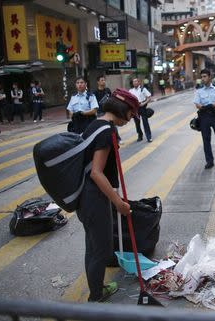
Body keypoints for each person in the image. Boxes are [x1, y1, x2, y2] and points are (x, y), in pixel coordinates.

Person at [77, 88, 139, 302]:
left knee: (93, 246)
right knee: (101, 250)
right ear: (123, 109)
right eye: (131, 114)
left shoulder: (96, 124)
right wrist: (118, 202)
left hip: (85, 197)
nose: (131, 119)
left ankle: (97, 287)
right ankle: (96, 297)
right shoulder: (107, 131)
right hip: (94, 197)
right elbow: (96, 172)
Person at [129, 78, 152, 142]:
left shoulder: (143, 89)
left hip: (142, 107)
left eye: (136, 81)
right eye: (134, 81)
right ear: (132, 83)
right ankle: (140, 135)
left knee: (145, 122)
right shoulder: (131, 91)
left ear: (139, 82)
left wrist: (143, 103)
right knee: (137, 123)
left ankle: (149, 136)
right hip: (135, 108)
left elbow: (149, 97)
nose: (135, 82)